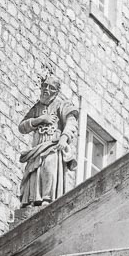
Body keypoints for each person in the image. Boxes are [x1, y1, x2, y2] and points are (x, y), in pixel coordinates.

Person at [18, 75, 79, 207]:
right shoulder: (36, 108)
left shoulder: (61, 105)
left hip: (53, 145)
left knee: (48, 168)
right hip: (38, 147)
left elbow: (71, 122)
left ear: (56, 92)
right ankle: (33, 200)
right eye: (44, 86)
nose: (46, 89)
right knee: (35, 172)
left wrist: (64, 137)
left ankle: (47, 198)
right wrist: (40, 119)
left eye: (50, 87)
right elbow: (22, 127)